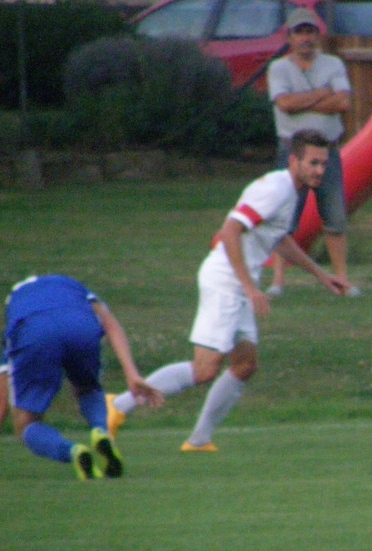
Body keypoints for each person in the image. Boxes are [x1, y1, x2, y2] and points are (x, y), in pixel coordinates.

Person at [106, 129, 352, 452]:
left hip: (238, 285)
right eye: (313, 163)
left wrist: (321, 275)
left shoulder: (292, 191)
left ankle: (199, 440)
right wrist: (250, 288)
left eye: (323, 164)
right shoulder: (276, 189)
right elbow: (230, 231)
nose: (319, 170)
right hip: (226, 282)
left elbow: (278, 238)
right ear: (294, 160)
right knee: (204, 369)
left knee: (245, 364)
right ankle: (118, 405)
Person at [0, 275, 164, 481]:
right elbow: (110, 324)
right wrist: (131, 374)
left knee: (26, 424)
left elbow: (0, 403)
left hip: (35, 333)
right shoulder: (73, 287)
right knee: (88, 388)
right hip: (80, 325)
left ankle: (74, 451)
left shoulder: (18, 311)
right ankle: (101, 431)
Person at [265, 6, 353, 296]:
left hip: (328, 151)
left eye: (310, 32)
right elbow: (284, 104)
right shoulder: (279, 68)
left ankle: (342, 280)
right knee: (285, 218)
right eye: (299, 32)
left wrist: (302, 101)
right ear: (289, 37)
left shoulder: (333, 64)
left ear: (317, 35)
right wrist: (322, 94)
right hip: (292, 151)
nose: (305, 38)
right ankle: (278, 281)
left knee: (335, 217)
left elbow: (343, 103)